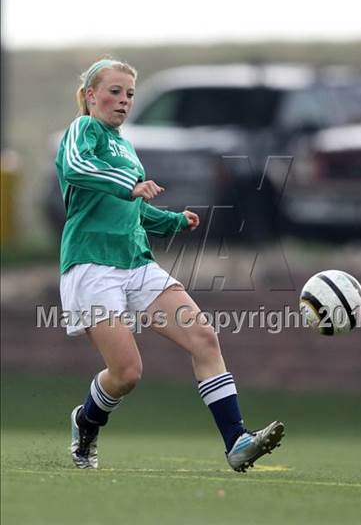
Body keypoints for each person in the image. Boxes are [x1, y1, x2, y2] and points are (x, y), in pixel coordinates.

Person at [56, 57, 285, 472]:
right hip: (91, 264)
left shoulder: (126, 146)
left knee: (204, 337)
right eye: (114, 91)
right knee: (126, 373)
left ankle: (237, 439)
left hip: (137, 263)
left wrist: (172, 220)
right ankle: (85, 422)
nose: (123, 100)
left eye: (129, 93)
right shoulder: (82, 131)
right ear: (90, 96)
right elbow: (77, 168)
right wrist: (130, 186)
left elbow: (130, 210)